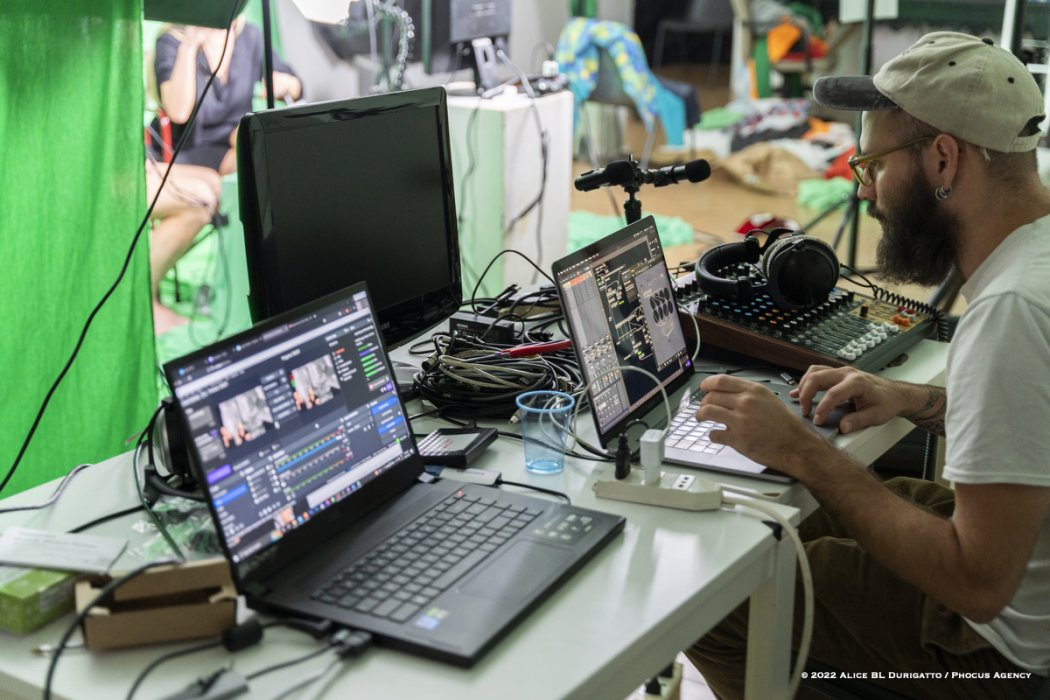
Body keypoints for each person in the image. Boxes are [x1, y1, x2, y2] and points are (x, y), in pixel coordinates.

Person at [686, 33, 1050, 699]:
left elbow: (977, 583)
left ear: (943, 159)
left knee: (717, 596)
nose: (866, 194)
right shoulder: (1038, 261)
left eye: (873, 166)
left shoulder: (1011, 311)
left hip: (1006, 658)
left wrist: (802, 451)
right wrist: (916, 400)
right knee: (791, 526)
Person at [146, 18, 301, 334]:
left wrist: (285, 83)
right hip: (180, 156)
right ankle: (144, 296)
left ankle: (252, 286)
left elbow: (295, 85)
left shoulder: (250, 37)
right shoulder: (172, 40)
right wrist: (192, 44)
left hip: (225, 154)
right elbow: (178, 110)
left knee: (255, 163)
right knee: (208, 192)